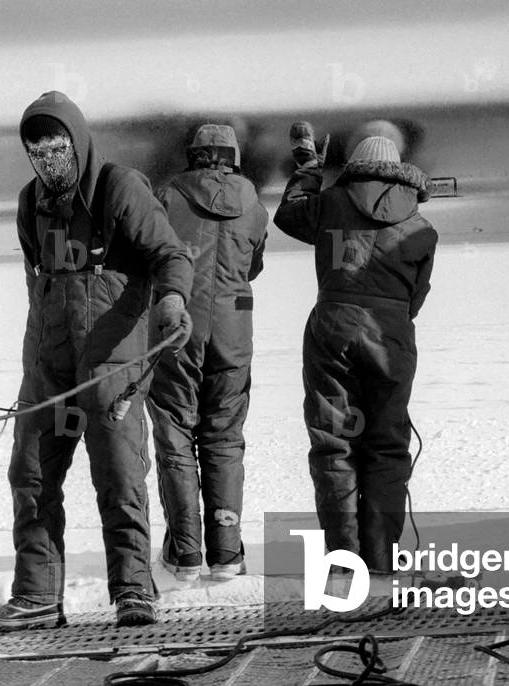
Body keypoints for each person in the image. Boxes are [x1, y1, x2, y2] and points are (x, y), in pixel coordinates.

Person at [0, 91, 193, 631]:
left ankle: (133, 592)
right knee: (30, 475)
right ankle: (37, 597)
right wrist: (32, 371)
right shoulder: (31, 204)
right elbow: (38, 289)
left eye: (57, 149)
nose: (49, 162)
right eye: (38, 153)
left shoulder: (120, 189)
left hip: (111, 363)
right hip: (50, 370)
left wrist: (171, 298)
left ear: (77, 141)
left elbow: (169, 254)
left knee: (119, 477)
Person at [273, 122, 437, 573]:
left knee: (334, 444)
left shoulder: (329, 205)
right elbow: (415, 298)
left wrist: (309, 168)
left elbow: (287, 216)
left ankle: (345, 562)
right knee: (386, 447)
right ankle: (381, 558)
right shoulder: (422, 228)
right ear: (402, 173)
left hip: (333, 327)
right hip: (392, 336)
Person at [147, 124, 268, 581]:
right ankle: (226, 552)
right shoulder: (254, 205)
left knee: (176, 433)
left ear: (193, 156)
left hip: (178, 327)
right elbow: (253, 264)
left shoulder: (169, 196)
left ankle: (184, 553)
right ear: (234, 158)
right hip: (235, 329)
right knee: (224, 437)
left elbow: (152, 252)